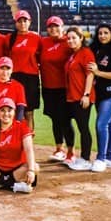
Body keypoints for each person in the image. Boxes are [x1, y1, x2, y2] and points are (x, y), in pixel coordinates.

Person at [0, 97, 39, 193]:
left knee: (35, 167)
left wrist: (30, 170)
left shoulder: (22, 127)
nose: (6, 114)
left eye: (9, 110)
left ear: (14, 112)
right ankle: (14, 185)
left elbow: (29, 149)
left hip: (17, 168)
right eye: (2, 110)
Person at [87, 22, 111, 172]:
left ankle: (101, 158)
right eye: (100, 33)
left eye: (106, 33)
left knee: (101, 123)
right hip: (100, 92)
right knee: (108, 123)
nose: (102, 36)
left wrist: (99, 73)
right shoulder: (95, 50)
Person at [39, 16, 74, 162]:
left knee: (65, 120)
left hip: (64, 88)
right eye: (50, 27)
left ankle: (71, 152)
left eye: (56, 26)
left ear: (62, 27)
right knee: (55, 119)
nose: (53, 29)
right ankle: (59, 148)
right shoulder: (44, 42)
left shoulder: (68, 41)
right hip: (48, 87)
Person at [64, 26, 96, 171]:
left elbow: (90, 74)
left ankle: (85, 158)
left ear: (81, 38)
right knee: (76, 125)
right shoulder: (72, 55)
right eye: (68, 38)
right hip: (72, 97)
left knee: (83, 128)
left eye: (74, 38)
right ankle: (80, 157)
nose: (70, 40)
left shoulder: (85, 53)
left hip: (82, 97)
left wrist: (86, 94)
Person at [9, 10, 41, 130]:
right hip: (15, 77)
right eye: (19, 21)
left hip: (31, 77)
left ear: (29, 22)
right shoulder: (10, 38)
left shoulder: (36, 38)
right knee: (14, 110)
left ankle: (28, 142)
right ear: (16, 23)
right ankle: (14, 140)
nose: (22, 23)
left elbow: (41, 56)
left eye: (25, 20)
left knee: (29, 112)